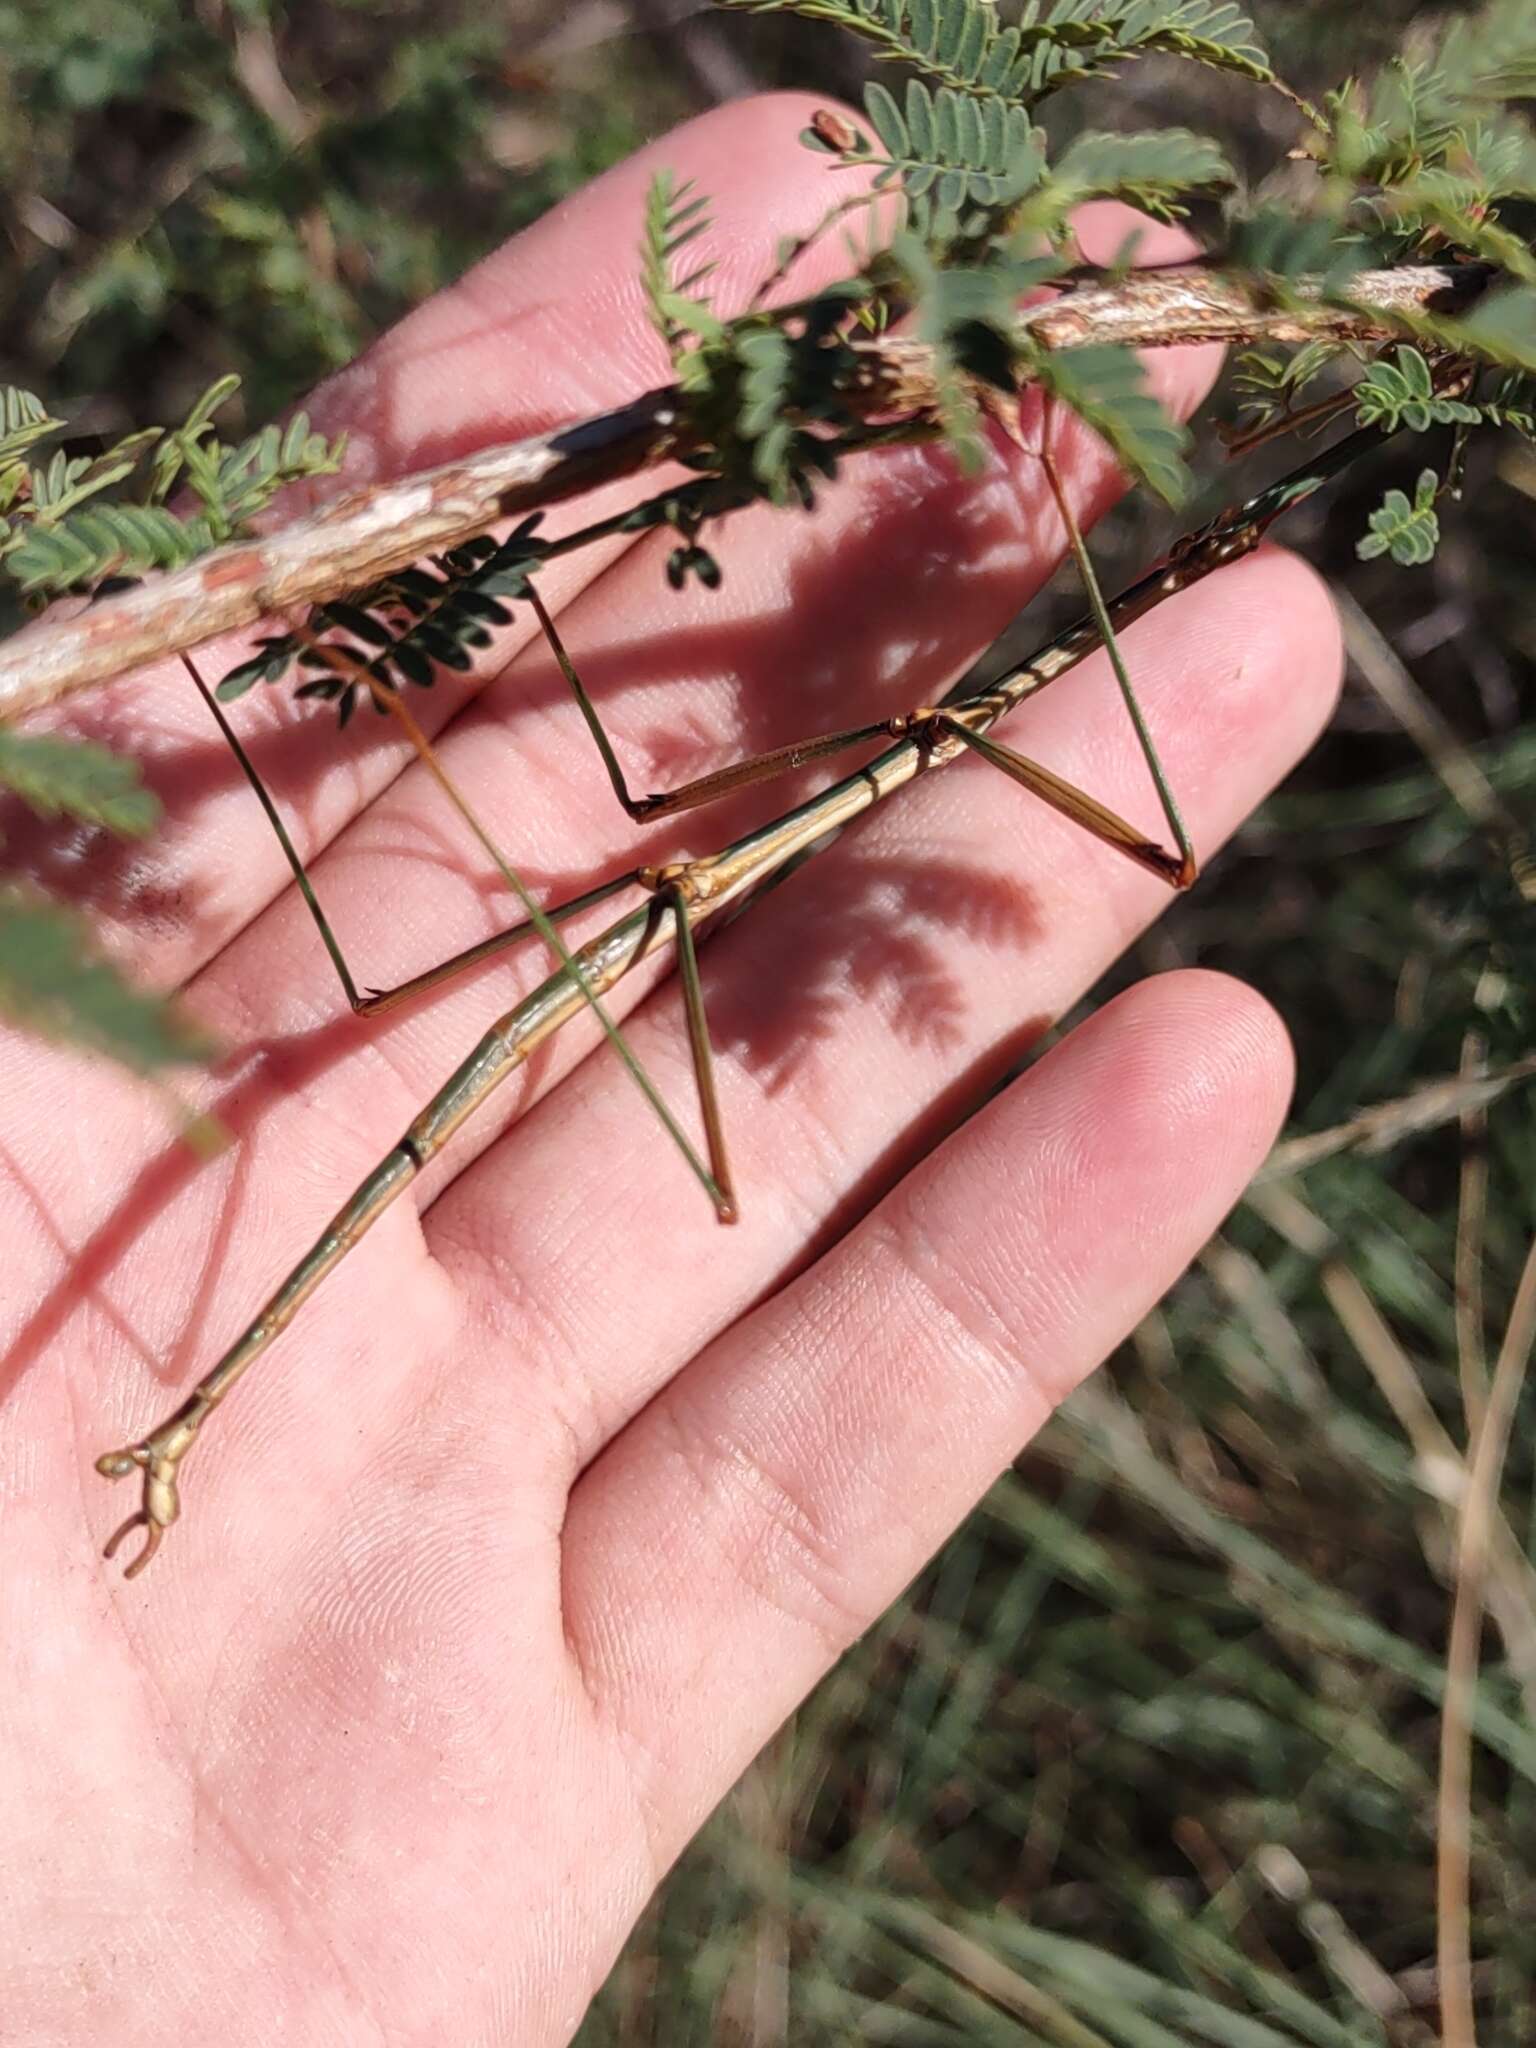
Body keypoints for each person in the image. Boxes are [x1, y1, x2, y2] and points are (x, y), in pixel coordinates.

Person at [0, 95, 1340, 2044]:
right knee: (452, 1038)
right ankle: (185, 1415)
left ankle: (184, 1419)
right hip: (612, 912)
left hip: (629, 889)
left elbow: (666, 792)